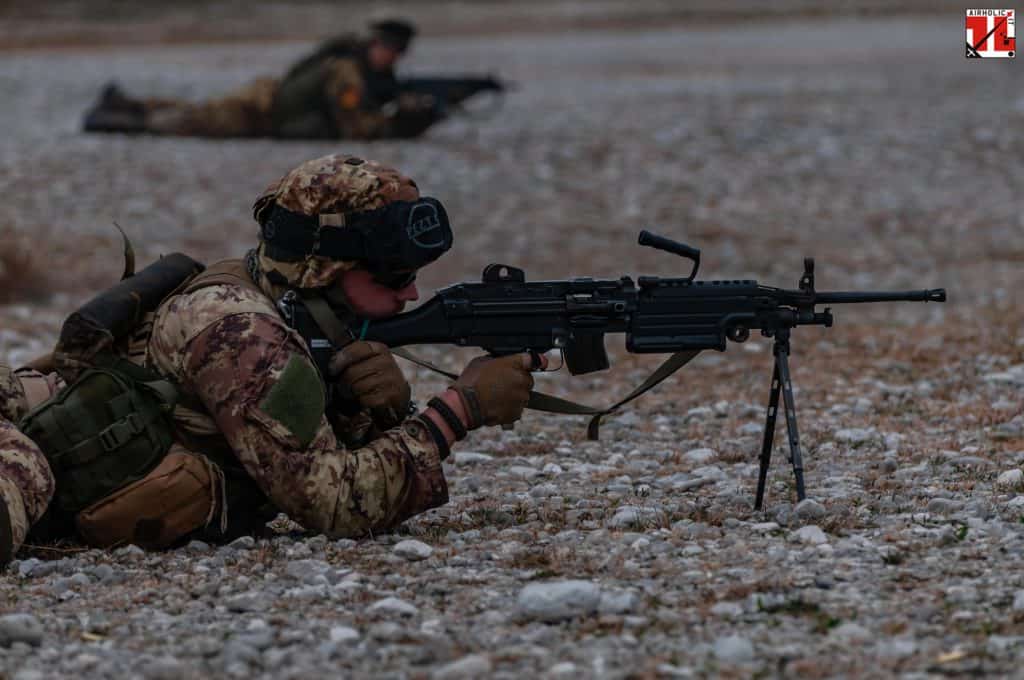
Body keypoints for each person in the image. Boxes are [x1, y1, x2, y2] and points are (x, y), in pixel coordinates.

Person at [0, 153, 539, 564]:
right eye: (394, 279)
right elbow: (334, 502)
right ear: (324, 271)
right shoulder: (242, 333)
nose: (411, 296)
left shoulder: (280, 303)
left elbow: (299, 451)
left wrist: (364, 410)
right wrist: (457, 411)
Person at [82, 19, 441, 139]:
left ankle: (125, 104)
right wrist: (398, 122)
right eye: (390, 50)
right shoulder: (348, 70)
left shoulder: (355, 64)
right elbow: (356, 127)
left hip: (263, 98)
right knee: (189, 121)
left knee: (198, 109)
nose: (391, 58)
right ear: (378, 45)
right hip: (259, 112)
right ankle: (114, 120)